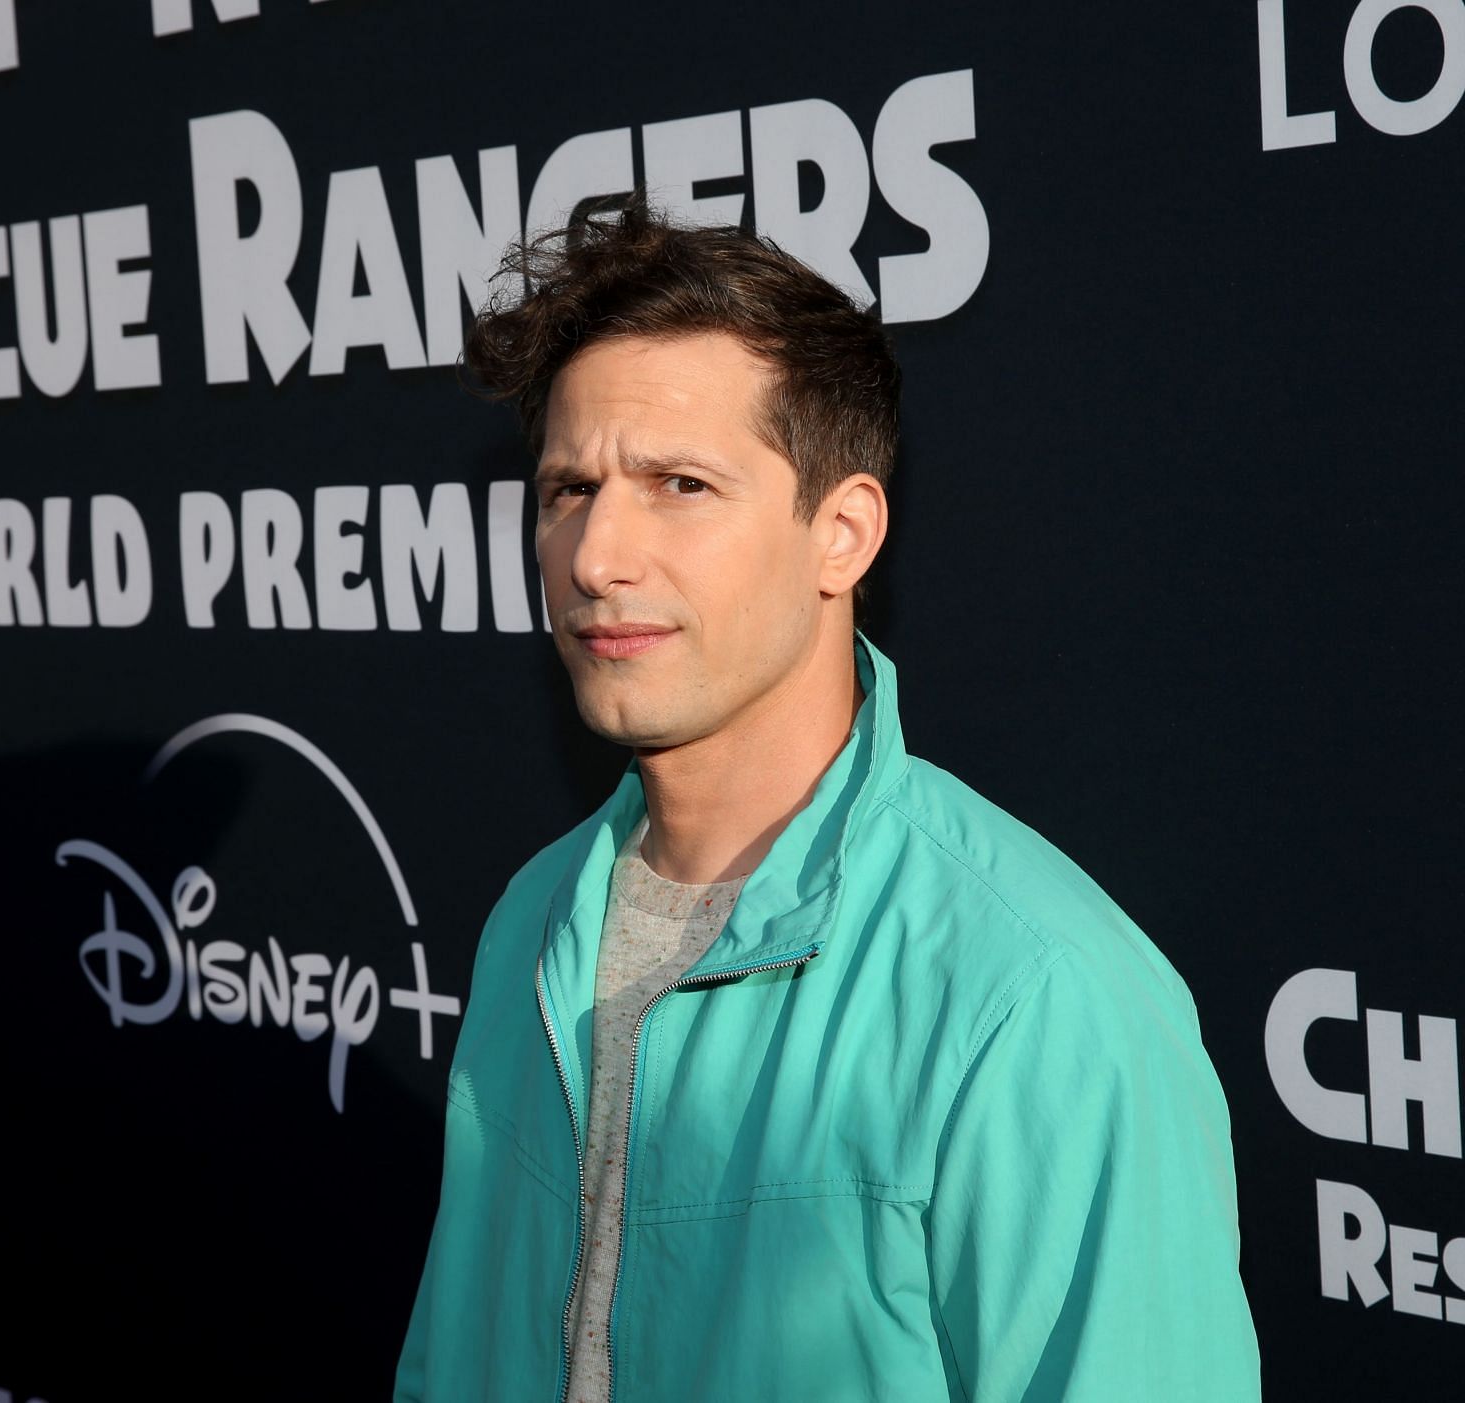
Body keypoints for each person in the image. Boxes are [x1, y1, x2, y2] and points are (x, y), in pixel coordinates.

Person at [393, 195, 1261, 1402]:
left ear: (841, 534)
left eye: (680, 484)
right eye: (565, 490)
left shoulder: (1035, 996)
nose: (595, 556)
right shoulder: (533, 926)